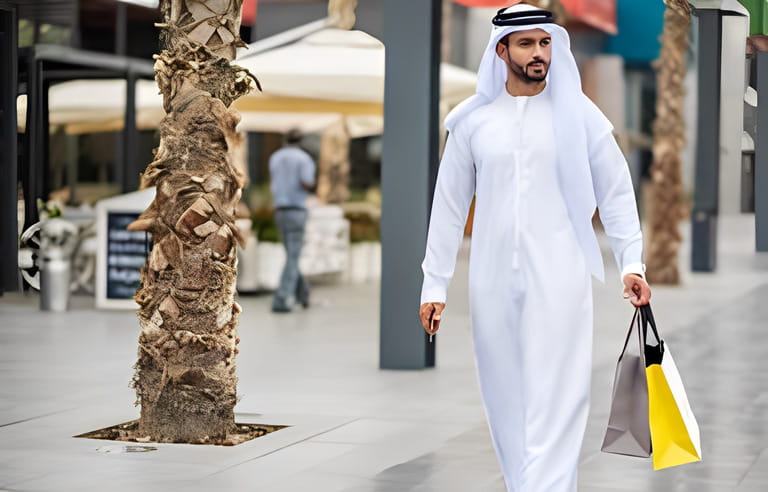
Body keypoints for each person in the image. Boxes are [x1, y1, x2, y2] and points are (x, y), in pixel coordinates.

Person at [418, 4, 652, 491]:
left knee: (559, 393)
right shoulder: (471, 121)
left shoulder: (581, 116)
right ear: (501, 50)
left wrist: (632, 261)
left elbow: (616, 190)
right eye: (526, 44)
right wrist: (434, 284)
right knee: (503, 394)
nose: (538, 53)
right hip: (491, 278)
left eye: (545, 42)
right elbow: (447, 207)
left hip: (561, 276)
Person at [269, 128, 316, 313]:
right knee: (293, 256)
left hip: (280, 210)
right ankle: (282, 298)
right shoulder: (303, 159)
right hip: (297, 209)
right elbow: (306, 181)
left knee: (291, 255)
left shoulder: (276, 157)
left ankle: (303, 294)